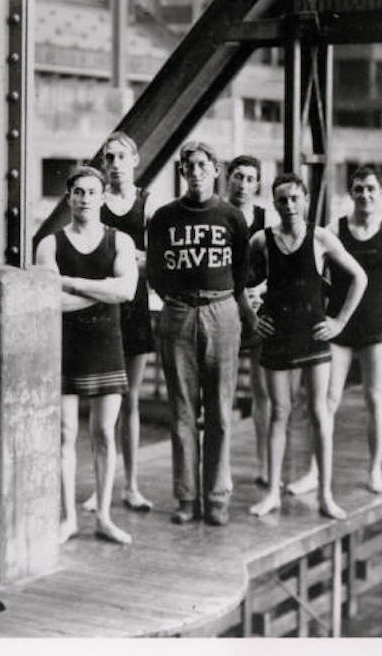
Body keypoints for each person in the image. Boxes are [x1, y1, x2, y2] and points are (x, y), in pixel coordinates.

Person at [147, 141, 255, 526]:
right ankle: (186, 497)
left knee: (221, 412)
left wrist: (218, 301)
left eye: (202, 166)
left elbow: (241, 272)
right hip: (178, 311)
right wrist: (178, 302)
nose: (195, 172)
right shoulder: (163, 217)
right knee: (182, 412)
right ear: (182, 171)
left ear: (215, 171)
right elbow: (156, 273)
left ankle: (217, 497)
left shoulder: (231, 216)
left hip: (221, 309)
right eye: (189, 166)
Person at [247, 174, 366, 519]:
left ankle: (326, 495)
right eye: (281, 200)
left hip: (313, 334)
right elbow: (238, 283)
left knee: (319, 412)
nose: (288, 206)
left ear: (305, 199)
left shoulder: (321, 238)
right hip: (277, 335)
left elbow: (360, 277)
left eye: (294, 199)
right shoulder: (261, 240)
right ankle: (272, 493)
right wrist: (254, 317)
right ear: (274, 203)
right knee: (279, 413)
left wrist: (340, 321)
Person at [35, 165, 138, 544]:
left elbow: (126, 292)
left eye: (91, 192)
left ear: (102, 197)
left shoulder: (120, 241)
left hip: (105, 344)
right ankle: (68, 518)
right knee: (65, 433)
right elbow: (48, 300)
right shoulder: (49, 244)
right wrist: (102, 289)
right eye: (78, 192)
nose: (84, 198)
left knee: (104, 433)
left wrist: (73, 283)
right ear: (69, 196)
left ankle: (105, 517)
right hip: (63, 346)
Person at [323, 166, 382, 495]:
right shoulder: (334, 230)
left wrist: (377, 300)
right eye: (359, 189)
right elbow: (317, 273)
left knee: (375, 398)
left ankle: (375, 471)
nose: (365, 195)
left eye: (371, 189)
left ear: (380, 193)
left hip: (375, 327)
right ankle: (315, 472)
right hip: (339, 327)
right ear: (350, 193)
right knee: (328, 400)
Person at [80, 132, 157, 514]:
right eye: (108, 157)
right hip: (102, 308)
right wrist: (128, 260)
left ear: (135, 160)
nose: (113, 163)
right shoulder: (96, 201)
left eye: (120, 156)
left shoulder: (147, 202)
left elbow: (156, 258)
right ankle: (101, 488)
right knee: (101, 406)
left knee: (131, 403)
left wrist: (121, 262)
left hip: (135, 306)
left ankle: (132, 485)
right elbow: (89, 253)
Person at [224, 154, 273, 488]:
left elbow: (279, 263)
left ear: (258, 183)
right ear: (228, 178)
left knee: (262, 392)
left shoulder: (266, 219)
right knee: (220, 393)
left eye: (250, 178)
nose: (243, 184)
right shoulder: (216, 213)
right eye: (238, 176)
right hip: (224, 307)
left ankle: (264, 464)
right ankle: (221, 467)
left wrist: (260, 290)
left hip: (258, 308)